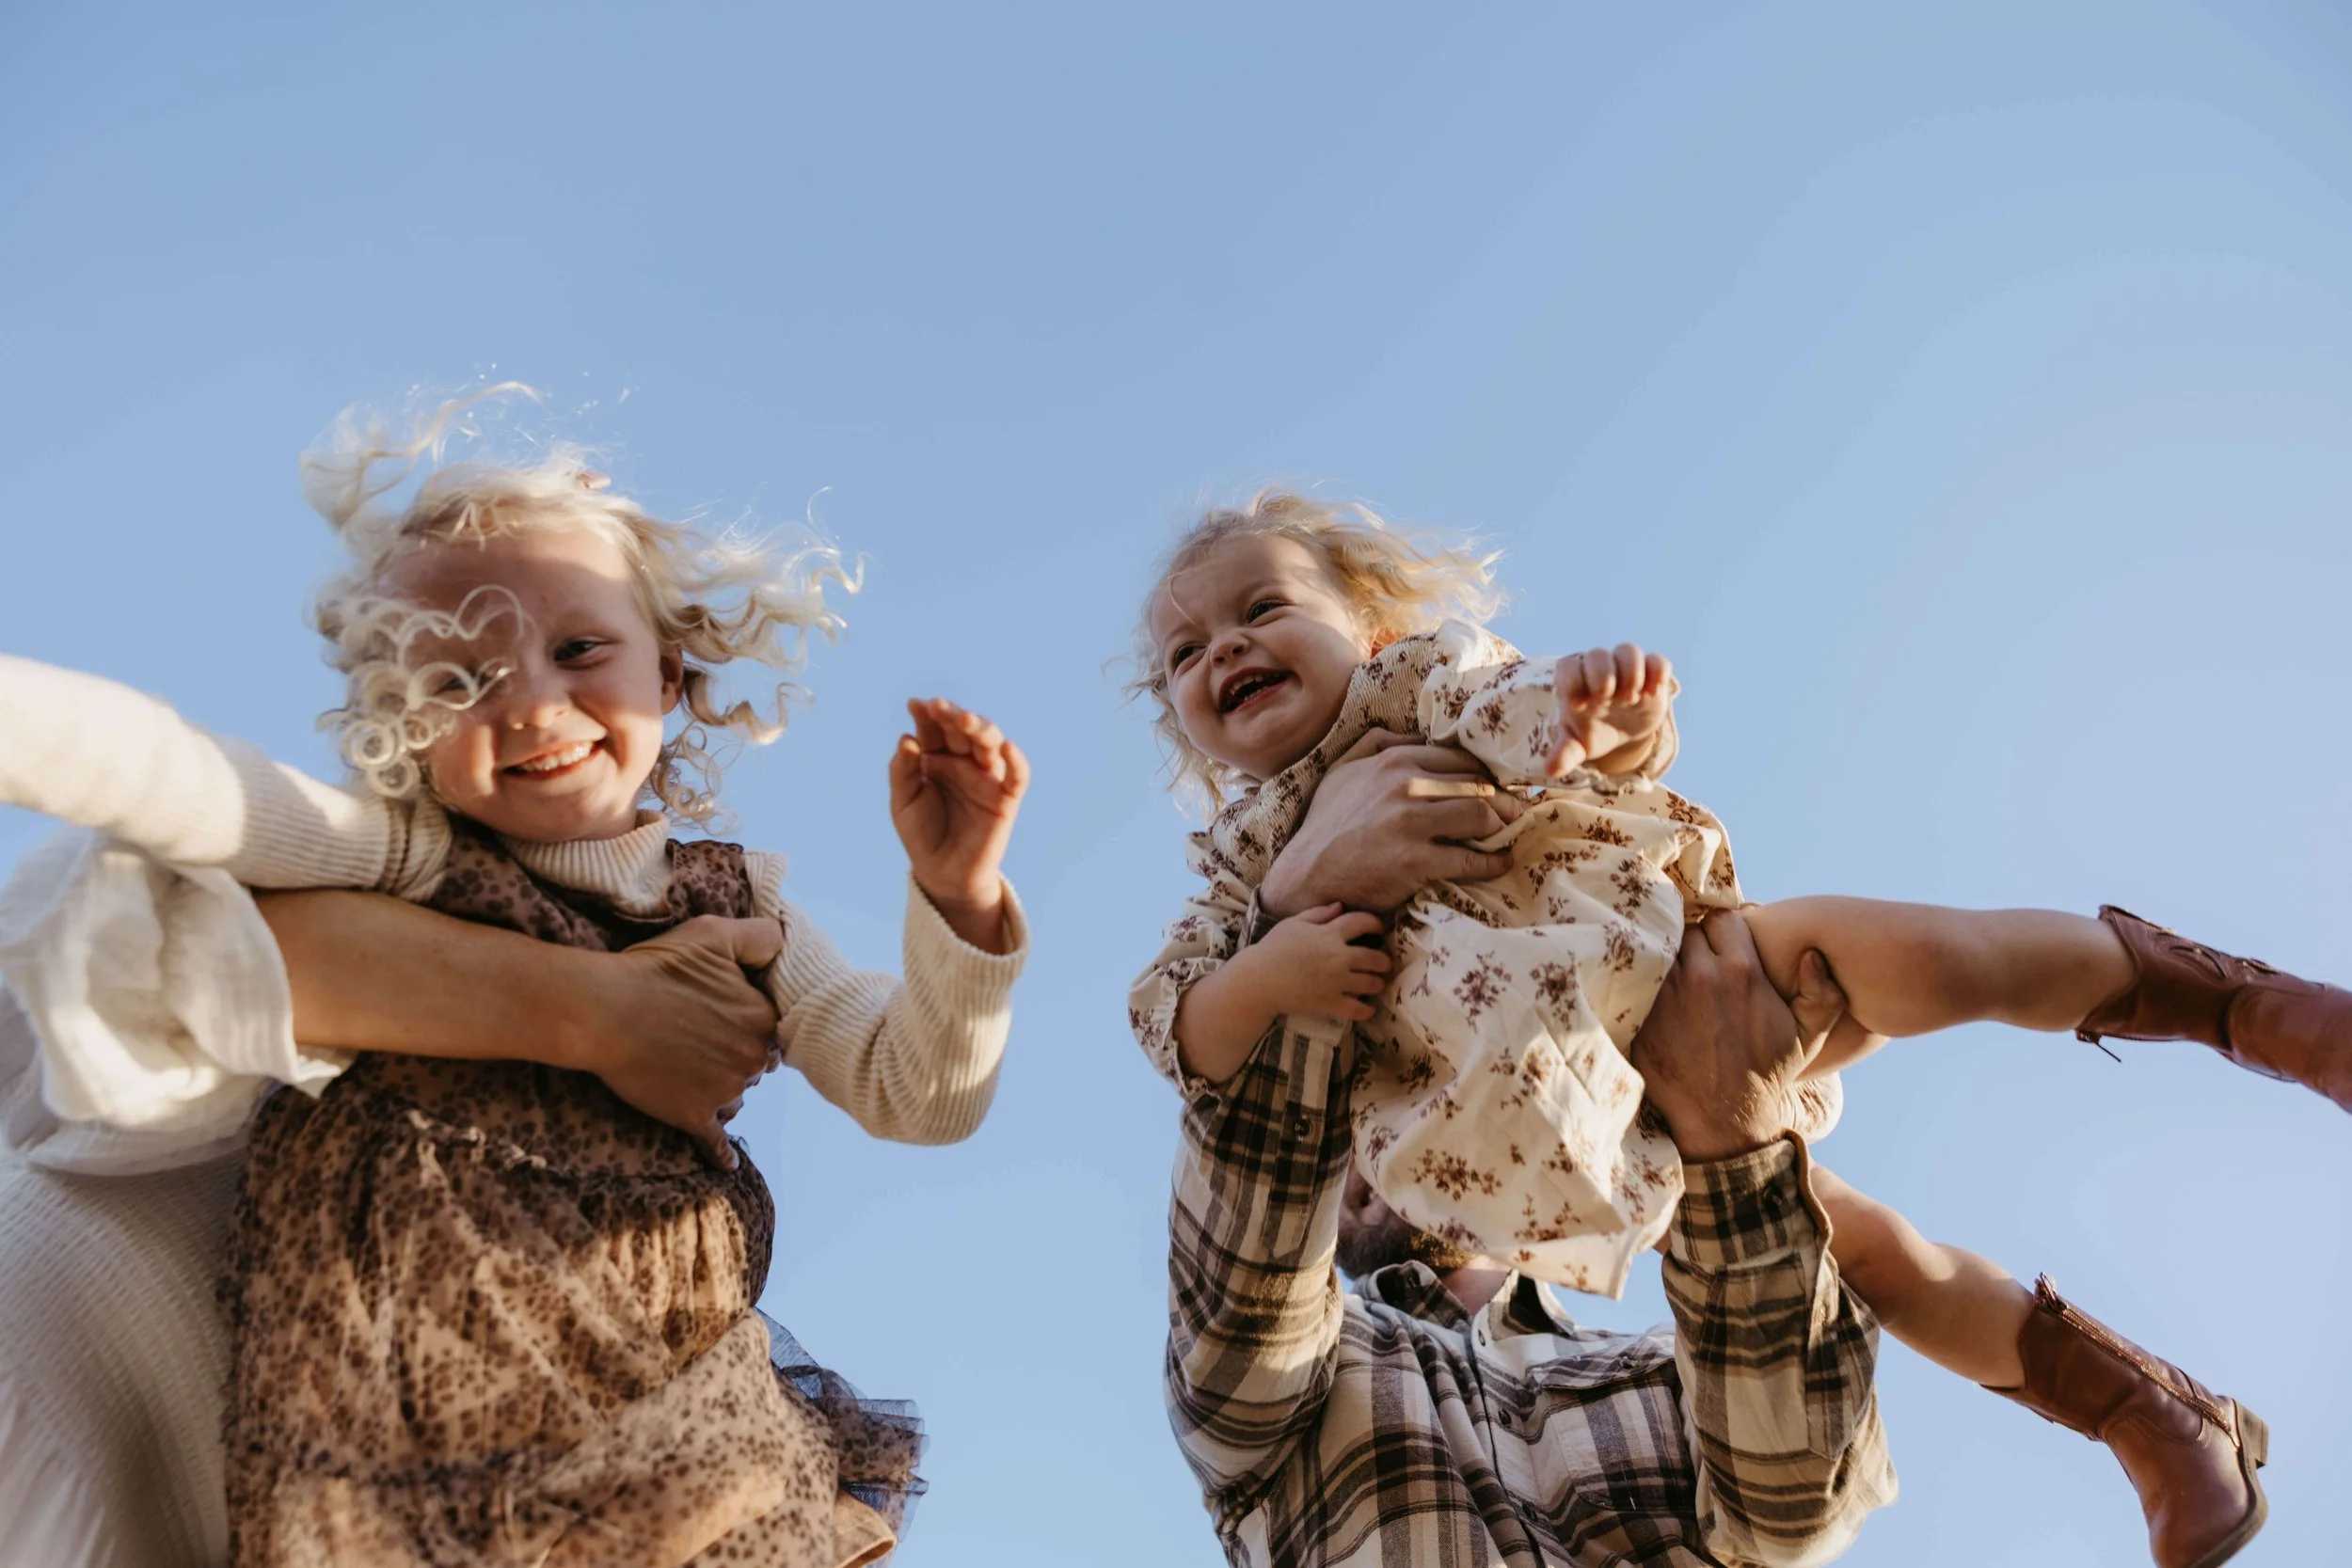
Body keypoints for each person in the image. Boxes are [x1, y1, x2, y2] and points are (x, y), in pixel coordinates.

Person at [1133, 493, 2327, 1568]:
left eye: (1262, 608)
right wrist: (1280, 942)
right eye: (1185, 654)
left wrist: (1616, 720)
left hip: (1659, 954)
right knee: (1871, 1251)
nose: (1223, 648)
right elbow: (1181, 1026)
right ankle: (2141, 1409)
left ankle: (2232, 1002)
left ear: (1371, 631)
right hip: (1602, 1114)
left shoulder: (1420, 692)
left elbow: (1558, 728)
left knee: (1923, 956)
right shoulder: (1243, 879)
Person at [0, 391, 1030, 1567]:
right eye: (456, 680)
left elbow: (922, 1093)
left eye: (579, 648)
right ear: (401, 719)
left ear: (673, 666)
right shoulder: (408, 855)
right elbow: (178, 778)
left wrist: (958, 897)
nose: (533, 702)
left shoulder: (743, 901)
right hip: (388, 1420)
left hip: (660, 1413)